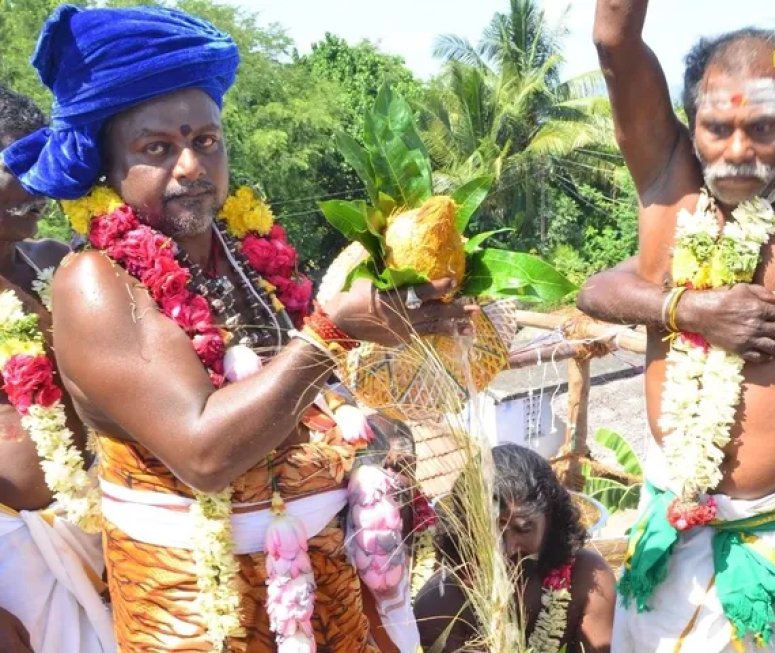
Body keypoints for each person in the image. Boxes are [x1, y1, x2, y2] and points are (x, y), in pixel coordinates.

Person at [2, 5, 473, 652]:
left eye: (206, 140)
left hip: (327, 589)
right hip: (198, 613)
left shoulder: (248, 252)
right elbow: (203, 451)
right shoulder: (94, 280)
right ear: (108, 168)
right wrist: (331, 332)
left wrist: (371, 430)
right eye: (157, 149)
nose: (192, 166)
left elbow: (304, 397)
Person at [577, 1, 775, 650]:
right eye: (717, 127)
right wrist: (689, 308)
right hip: (672, 531)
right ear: (689, 120)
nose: (736, 151)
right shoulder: (667, 182)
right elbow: (613, 37)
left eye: (761, 127)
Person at [0, 85, 114, 652]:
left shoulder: (52, 260)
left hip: (96, 525)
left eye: (37, 161)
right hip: (12, 560)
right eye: (10, 163)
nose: (30, 184)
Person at [413, 443, 615, 653]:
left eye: (523, 529)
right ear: (465, 527)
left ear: (551, 522)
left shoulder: (588, 580)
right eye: (491, 531)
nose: (506, 549)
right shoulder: (438, 602)